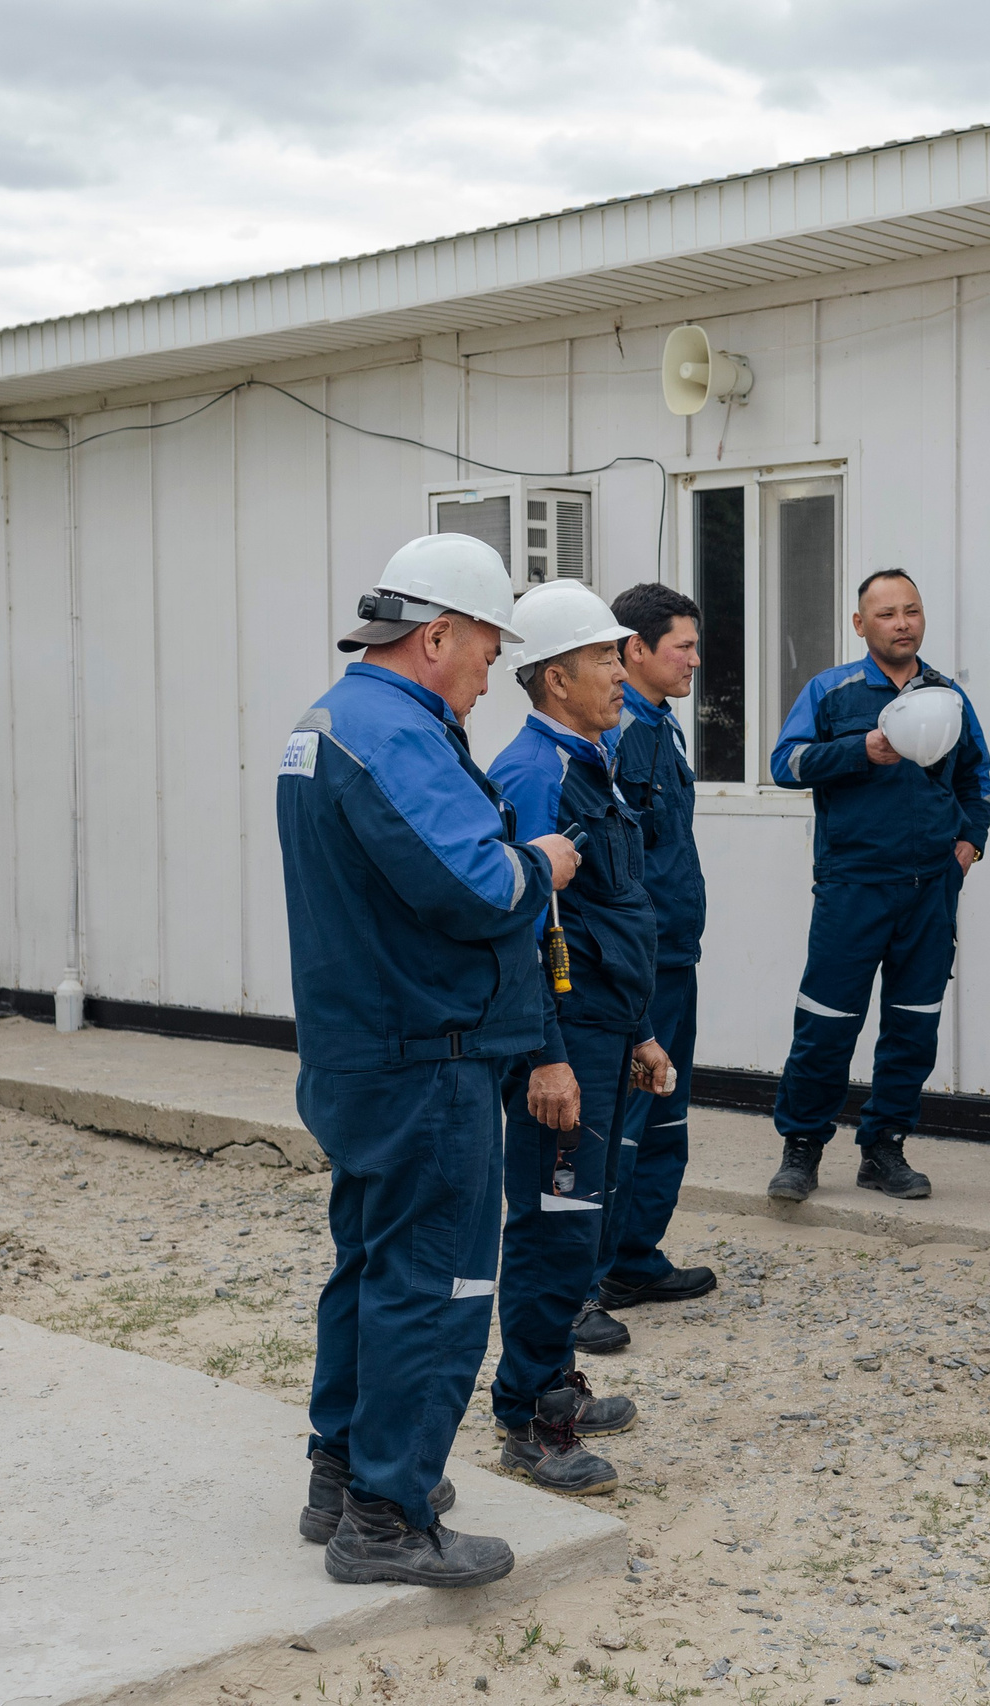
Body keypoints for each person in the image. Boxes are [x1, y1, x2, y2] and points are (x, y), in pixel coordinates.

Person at [276, 532, 578, 1588]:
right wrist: (540, 862)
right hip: (422, 1055)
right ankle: (388, 1515)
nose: (493, 672)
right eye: (489, 647)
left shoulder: (337, 719)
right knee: (435, 1282)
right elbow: (478, 888)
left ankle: (343, 1473)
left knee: (372, 1265)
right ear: (436, 633)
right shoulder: (391, 731)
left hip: (366, 1047)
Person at [486, 581, 672, 1489]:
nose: (621, 671)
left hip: (603, 1027)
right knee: (554, 1225)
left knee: (578, 1218)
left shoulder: (592, 758)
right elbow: (521, 929)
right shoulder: (535, 774)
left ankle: (553, 1377)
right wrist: (548, 1054)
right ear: (557, 677)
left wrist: (638, 1032)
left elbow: (607, 913)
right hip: (561, 1041)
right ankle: (530, 1417)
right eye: (605, 657)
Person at [763, 570, 990, 1204]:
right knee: (827, 1019)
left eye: (912, 611)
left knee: (913, 1023)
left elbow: (976, 777)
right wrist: (860, 749)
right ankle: (802, 1147)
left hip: (929, 890)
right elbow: (786, 764)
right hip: (853, 886)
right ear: (860, 625)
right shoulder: (831, 691)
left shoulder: (946, 696)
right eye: (887, 614)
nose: (902, 623)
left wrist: (970, 842)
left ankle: (884, 1148)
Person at [588, 583, 719, 1339]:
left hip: (676, 952)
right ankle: (596, 1270)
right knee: (631, 1113)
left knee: (666, 1109)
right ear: (634, 649)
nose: (696, 661)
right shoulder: (620, 736)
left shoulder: (660, 726)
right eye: (684, 646)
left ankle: (636, 1254)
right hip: (644, 959)